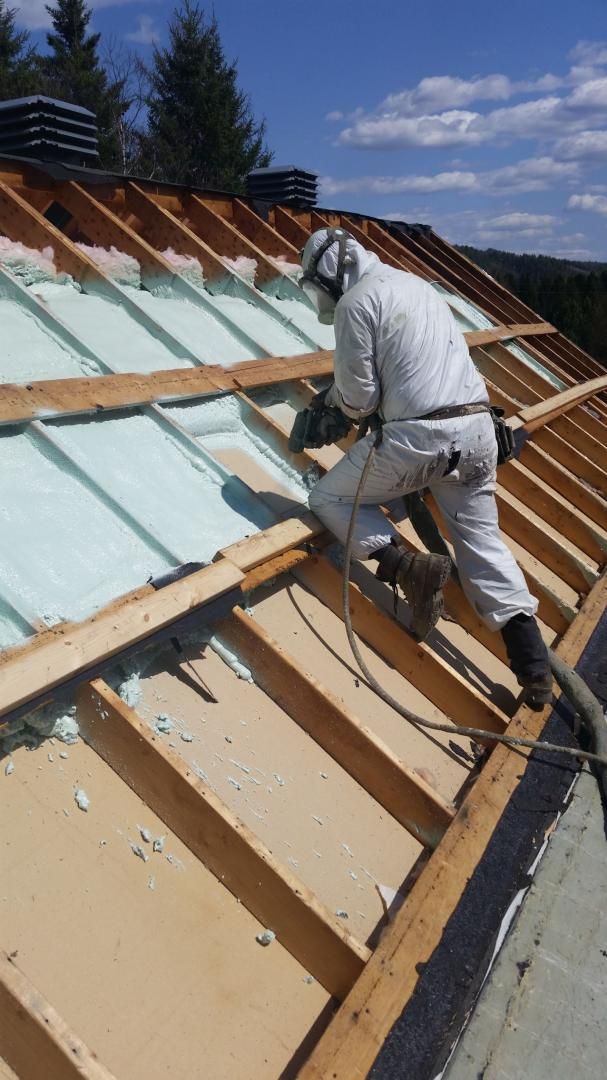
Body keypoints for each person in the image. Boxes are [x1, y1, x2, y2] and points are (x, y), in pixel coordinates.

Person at [299, 227, 553, 711]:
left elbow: (359, 399)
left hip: (422, 439)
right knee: (482, 544)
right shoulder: (419, 286)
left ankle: (409, 567)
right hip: (478, 432)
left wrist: (331, 405)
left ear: (333, 271)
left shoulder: (356, 303)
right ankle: (535, 669)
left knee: (328, 498)